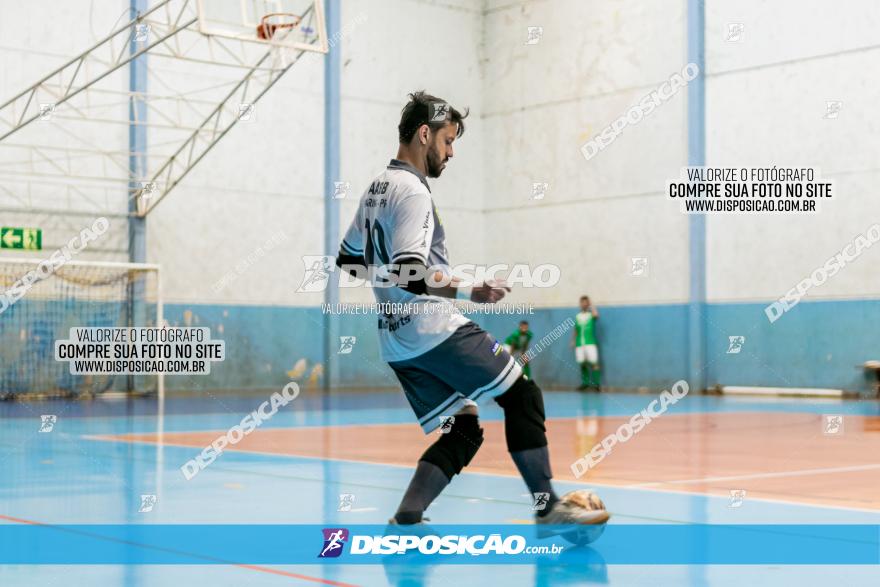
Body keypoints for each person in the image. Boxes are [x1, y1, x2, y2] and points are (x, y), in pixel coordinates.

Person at [334, 91, 606, 529]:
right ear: (425, 134)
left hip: (396, 341)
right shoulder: (411, 190)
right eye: (447, 140)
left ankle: (408, 515)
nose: (451, 152)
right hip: (433, 329)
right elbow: (411, 273)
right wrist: (468, 289)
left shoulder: (377, 188)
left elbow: (348, 262)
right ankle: (548, 507)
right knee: (523, 396)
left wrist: (390, 284)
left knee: (464, 427)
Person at [572, 295, 600, 391]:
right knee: (582, 363)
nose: (584, 304)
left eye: (586, 302)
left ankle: (597, 385)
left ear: (588, 303)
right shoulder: (578, 316)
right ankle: (585, 383)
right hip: (580, 343)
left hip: (590, 343)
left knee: (594, 363)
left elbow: (596, 315)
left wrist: (591, 306)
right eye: (582, 302)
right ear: (580, 304)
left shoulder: (591, 315)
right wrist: (573, 340)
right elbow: (576, 329)